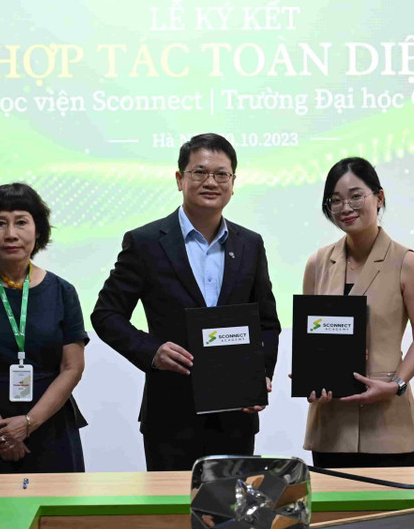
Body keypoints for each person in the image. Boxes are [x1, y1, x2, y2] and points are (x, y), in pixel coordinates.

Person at [91, 133, 280, 471]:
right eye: (200, 172)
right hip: (171, 415)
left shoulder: (250, 244)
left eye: (221, 174)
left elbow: (266, 322)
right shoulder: (146, 242)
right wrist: (152, 351)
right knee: (171, 505)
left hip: (235, 414)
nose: (211, 182)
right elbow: (106, 314)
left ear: (233, 183)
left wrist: (261, 374)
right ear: (180, 179)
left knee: (231, 505)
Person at [0, 184, 89, 474]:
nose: (11, 234)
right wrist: (1, 432)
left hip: (49, 425)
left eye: (21, 222)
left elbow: (72, 368)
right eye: (0, 223)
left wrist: (28, 423)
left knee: (57, 504)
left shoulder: (62, 291)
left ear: (38, 230)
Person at [300, 158, 414, 468]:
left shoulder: (406, 262)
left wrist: (397, 384)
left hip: (389, 423)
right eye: (335, 200)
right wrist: (309, 374)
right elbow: (311, 337)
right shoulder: (318, 264)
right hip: (331, 426)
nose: (345, 207)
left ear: (379, 197)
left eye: (356, 196)